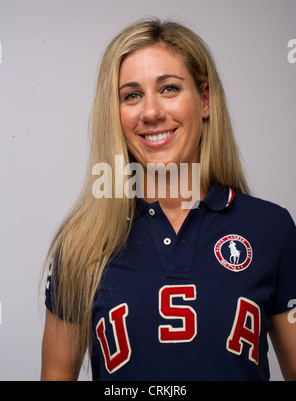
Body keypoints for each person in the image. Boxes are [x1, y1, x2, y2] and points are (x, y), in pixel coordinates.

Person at [41, 19, 296, 381]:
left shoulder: (272, 229)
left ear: (205, 100)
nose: (150, 112)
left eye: (169, 89)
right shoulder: (81, 244)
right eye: (131, 95)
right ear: (115, 114)